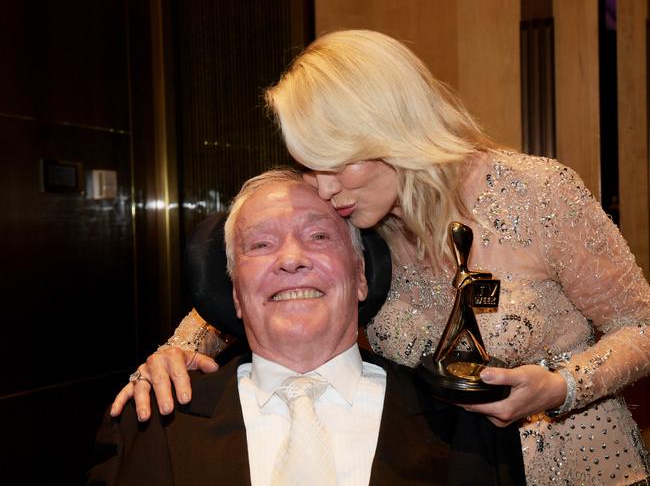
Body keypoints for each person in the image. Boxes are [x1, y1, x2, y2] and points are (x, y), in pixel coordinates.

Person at [111, 30, 650, 485]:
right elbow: (263, 281)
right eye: (309, 166)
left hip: (580, 466)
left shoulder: (538, 193)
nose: (322, 190)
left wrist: (562, 387)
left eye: (337, 163)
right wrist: (175, 354)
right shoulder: (357, 215)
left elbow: (641, 323)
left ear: (392, 129)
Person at [87, 170, 525, 485]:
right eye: (260, 244)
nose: (291, 258)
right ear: (236, 294)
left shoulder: (469, 426)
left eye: (318, 237)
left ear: (360, 276)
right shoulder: (148, 426)